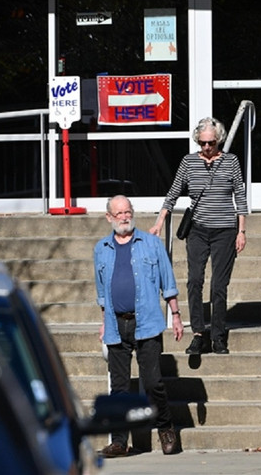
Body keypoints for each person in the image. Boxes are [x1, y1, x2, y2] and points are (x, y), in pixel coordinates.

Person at [94, 195, 183, 457]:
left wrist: (176, 315)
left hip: (147, 323)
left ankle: (166, 427)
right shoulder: (101, 248)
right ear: (109, 217)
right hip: (115, 324)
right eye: (119, 213)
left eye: (128, 211)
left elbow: (168, 283)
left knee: (153, 381)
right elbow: (101, 292)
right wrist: (103, 323)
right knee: (119, 387)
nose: (124, 216)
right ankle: (120, 441)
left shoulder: (152, 244)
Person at [150, 117, 248, 355]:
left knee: (218, 286)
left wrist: (241, 231)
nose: (206, 148)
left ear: (219, 141)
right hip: (198, 230)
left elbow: (241, 199)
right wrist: (159, 222)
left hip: (225, 230)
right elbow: (172, 194)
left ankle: (218, 335)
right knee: (194, 281)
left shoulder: (231, 162)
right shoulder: (189, 162)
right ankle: (197, 334)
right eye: (202, 143)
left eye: (211, 143)